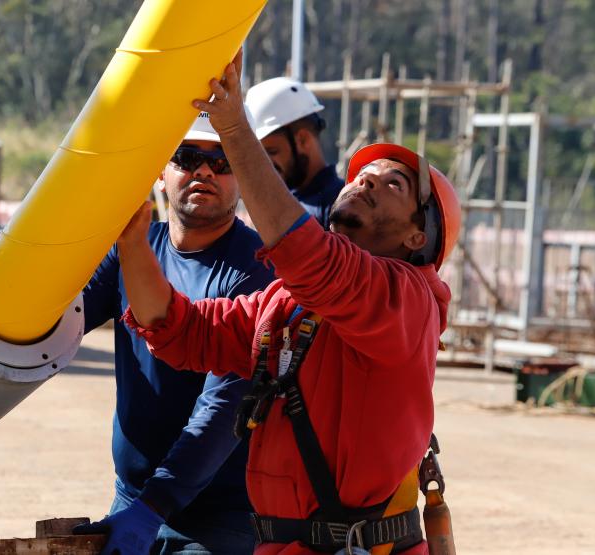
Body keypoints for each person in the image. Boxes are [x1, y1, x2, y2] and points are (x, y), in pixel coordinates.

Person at [115, 56, 461, 555]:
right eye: (362, 175)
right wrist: (132, 245)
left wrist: (233, 127)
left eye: (393, 184)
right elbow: (182, 330)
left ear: (417, 237)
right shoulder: (291, 305)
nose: (365, 181)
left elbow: (308, 255)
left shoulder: (404, 300)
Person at [75, 112, 275, 554]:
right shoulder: (134, 247)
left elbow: (223, 410)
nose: (204, 171)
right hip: (133, 499)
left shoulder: (255, 271)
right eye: (187, 158)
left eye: (222, 162)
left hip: (218, 520)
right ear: (161, 174)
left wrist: (154, 506)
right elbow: (60, 320)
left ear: (242, 178)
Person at [244, 77, 344, 228]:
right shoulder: (285, 202)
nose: (265, 164)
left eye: (272, 151)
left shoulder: (339, 206)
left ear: (302, 140)